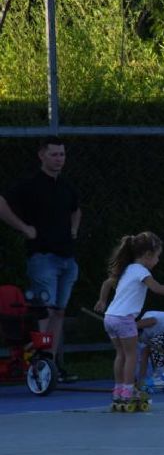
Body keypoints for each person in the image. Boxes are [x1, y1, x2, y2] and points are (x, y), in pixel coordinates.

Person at [0, 137, 80, 382]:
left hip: (66, 258)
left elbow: (76, 209)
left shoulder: (65, 186)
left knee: (59, 311)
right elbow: (2, 203)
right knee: (44, 311)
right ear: (42, 156)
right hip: (43, 257)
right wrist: (24, 228)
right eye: (54, 154)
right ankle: (40, 365)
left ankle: (52, 364)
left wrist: (73, 229)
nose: (59, 159)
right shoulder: (30, 185)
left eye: (62, 155)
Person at [94, 232, 164, 408]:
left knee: (120, 355)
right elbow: (158, 288)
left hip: (110, 317)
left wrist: (102, 301)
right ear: (148, 254)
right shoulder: (141, 271)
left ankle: (118, 390)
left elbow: (107, 283)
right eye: (157, 256)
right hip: (125, 319)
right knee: (132, 355)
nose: (157, 261)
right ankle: (128, 390)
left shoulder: (126, 269)